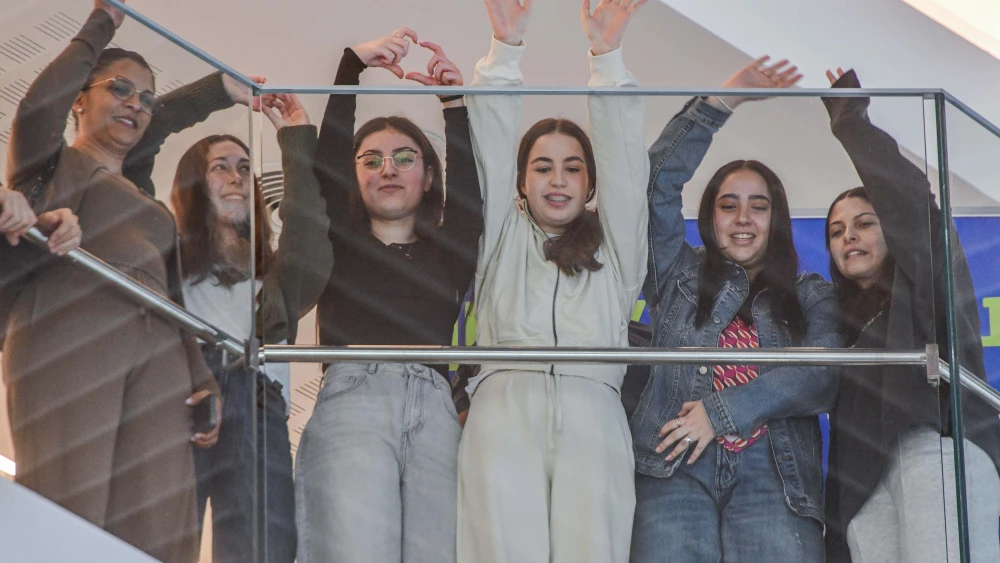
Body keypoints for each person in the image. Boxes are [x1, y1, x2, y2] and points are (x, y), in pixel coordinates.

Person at [0, 2, 222, 561]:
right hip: (73, 326)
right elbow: (36, 105)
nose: (136, 105)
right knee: (68, 504)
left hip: (162, 350)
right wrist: (105, 20)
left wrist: (202, 378)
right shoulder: (53, 163)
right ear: (81, 98)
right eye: (120, 88)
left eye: (147, 99)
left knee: (159, 525)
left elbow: (177, 303)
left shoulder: (153, 204)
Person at [456, 0, 649, 560]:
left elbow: (626, 164)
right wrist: (503, 53)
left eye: (573, 168)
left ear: (591, 184)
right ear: (520, 182)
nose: (558, 180)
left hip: (594, 411)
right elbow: (487, 144)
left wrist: (607, 59)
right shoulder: (499, 240)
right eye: (542, 167)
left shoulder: (617, 253)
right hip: (502, 406)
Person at [628, 58, 842, 562]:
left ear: (777, 218)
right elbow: (653, 187)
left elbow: (823, 373)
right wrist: (720, 103)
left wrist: (720, 413)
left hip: (775, 473)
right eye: (729, 204)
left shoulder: (812, 291)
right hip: (673, 465)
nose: (743, 217)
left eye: (759, 205)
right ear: (709, 216)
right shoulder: (676, 273)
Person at [295, 30, 483, 563]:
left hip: (436, 405)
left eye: (404, 157)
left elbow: (469, 201)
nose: (388, 169)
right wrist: (351, 67)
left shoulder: (448, 255)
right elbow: (326, 165)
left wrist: (454, 105)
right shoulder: (339, 246)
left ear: (427, 177)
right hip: (354, 393)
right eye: (371, 160)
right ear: (354, 179)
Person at [822, 68, 1000, 563]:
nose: (849, 237)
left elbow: (912, 202)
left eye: (863, 223)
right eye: (836, 232)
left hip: (937, 449)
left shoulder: (927, 281)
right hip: (864, 485)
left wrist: (849, 120)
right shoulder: (838, 325)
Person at [166, 93, 331, 563]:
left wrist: (295, 138)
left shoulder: (273, 277)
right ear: (195, 183)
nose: (236, 177)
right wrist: (217, 87)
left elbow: (309, 234)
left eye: (244, 168)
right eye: (220, 166)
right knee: (164, 536)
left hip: (259, 399)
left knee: (264, 548)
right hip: (185, 392)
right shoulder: (168, 255)